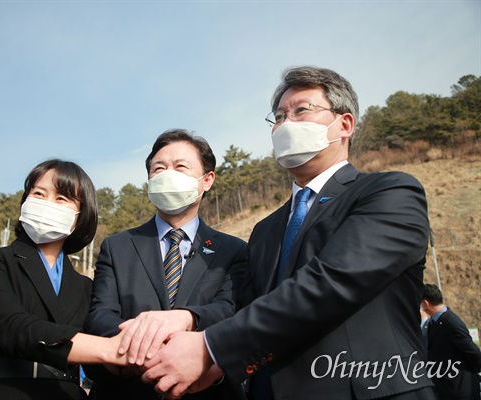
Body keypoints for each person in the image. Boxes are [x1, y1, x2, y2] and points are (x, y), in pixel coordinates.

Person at [139, 66, 436, 400]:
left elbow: (332, 282)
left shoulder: (390, 192)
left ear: (345, 124)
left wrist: (211, 346)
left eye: (301, 111)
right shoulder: (266, 229)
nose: (286, 124)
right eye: (279, 117)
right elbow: (247, 306)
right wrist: (195, 330)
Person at [84, 129, 248, 399]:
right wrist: (148, 350)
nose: (167, 174)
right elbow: (100, 315)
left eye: (180, 166)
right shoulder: (117, 246)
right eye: (158, 168)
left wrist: (187, 327)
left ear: (207, 180)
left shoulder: (234, 250)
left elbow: (228, 310)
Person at [0, 160, 127, 400]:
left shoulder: (85, 286)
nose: (47, 204)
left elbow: (98, 366)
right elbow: (9, 327)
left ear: (80, 215)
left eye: (61, 198)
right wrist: (108, 349)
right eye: (38, 193)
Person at [421, 284, 481, 400]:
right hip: (445, 390)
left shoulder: (451, 323)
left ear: (426, 304)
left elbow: (474, 353)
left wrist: (464, 375)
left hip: (461, 391)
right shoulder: (434, 322)